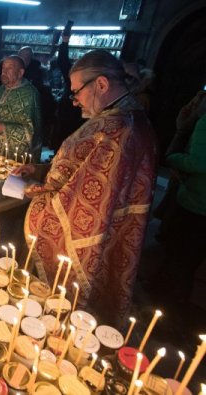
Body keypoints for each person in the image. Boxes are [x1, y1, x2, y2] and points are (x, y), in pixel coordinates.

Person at [15, 50, 157, 326]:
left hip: (92, 234)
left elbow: (79, 200)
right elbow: (79, 172)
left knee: (66, 307)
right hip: (114, 231)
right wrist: (41, 170)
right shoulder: (134, 119)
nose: (75, 101)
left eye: (77, 91)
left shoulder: (113, 129)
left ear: (101, 84)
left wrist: (34, 190)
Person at [162, 114, 206, 304]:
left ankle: (165, 308)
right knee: (189, 260)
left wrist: (172, 158)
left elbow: (197, 162)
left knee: (179, 257)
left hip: (197, 202)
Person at [0, 55, 42, 160]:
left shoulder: (30, 94)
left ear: (20, 73)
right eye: (3, 68)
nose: (4, 72)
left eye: (9, 68)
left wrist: (5, 128)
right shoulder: (1, 89)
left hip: (13, 153)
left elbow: (33, 131)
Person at [51, 30, 83, 151]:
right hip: (67, 111)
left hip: (80, 116)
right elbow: (63, 61)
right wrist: (64, 42)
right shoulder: (73, 74)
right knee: (62, 138)